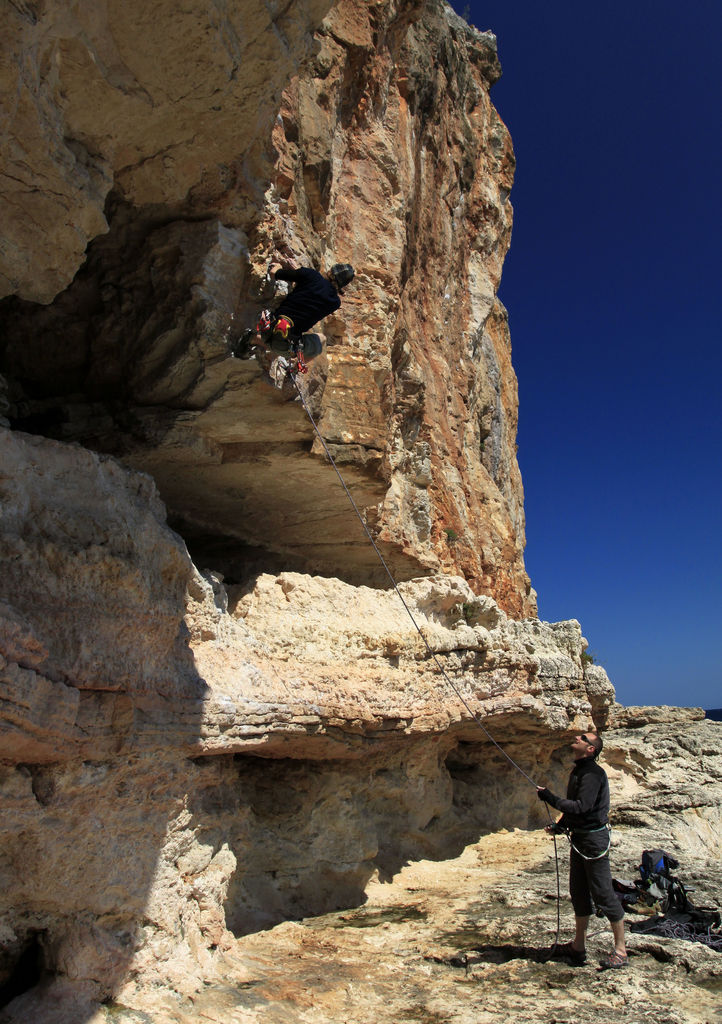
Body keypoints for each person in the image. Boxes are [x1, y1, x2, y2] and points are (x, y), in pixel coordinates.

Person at [537, 731, 627, 969]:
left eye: (583, 738)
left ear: (590, 749)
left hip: (593, 841)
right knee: (578, 891)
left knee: (602, 893)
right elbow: (575, 808)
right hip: (580, 838)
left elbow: (582, 806)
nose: (577, 737)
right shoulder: (579, 770)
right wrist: (561, 826)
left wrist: (550, 798)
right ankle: (578, 946)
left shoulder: (593, 773)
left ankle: (621, 950)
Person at [231, 258, 354, 381]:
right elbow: (314, 297)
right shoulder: (334, 303)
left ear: (330, 272)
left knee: (277, 331)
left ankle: (252, 338)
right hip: (285, 347)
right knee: (322, 339)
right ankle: (294, 370)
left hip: (267, 327)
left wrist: (284, 267)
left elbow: (275, 273)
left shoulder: (310, 275)